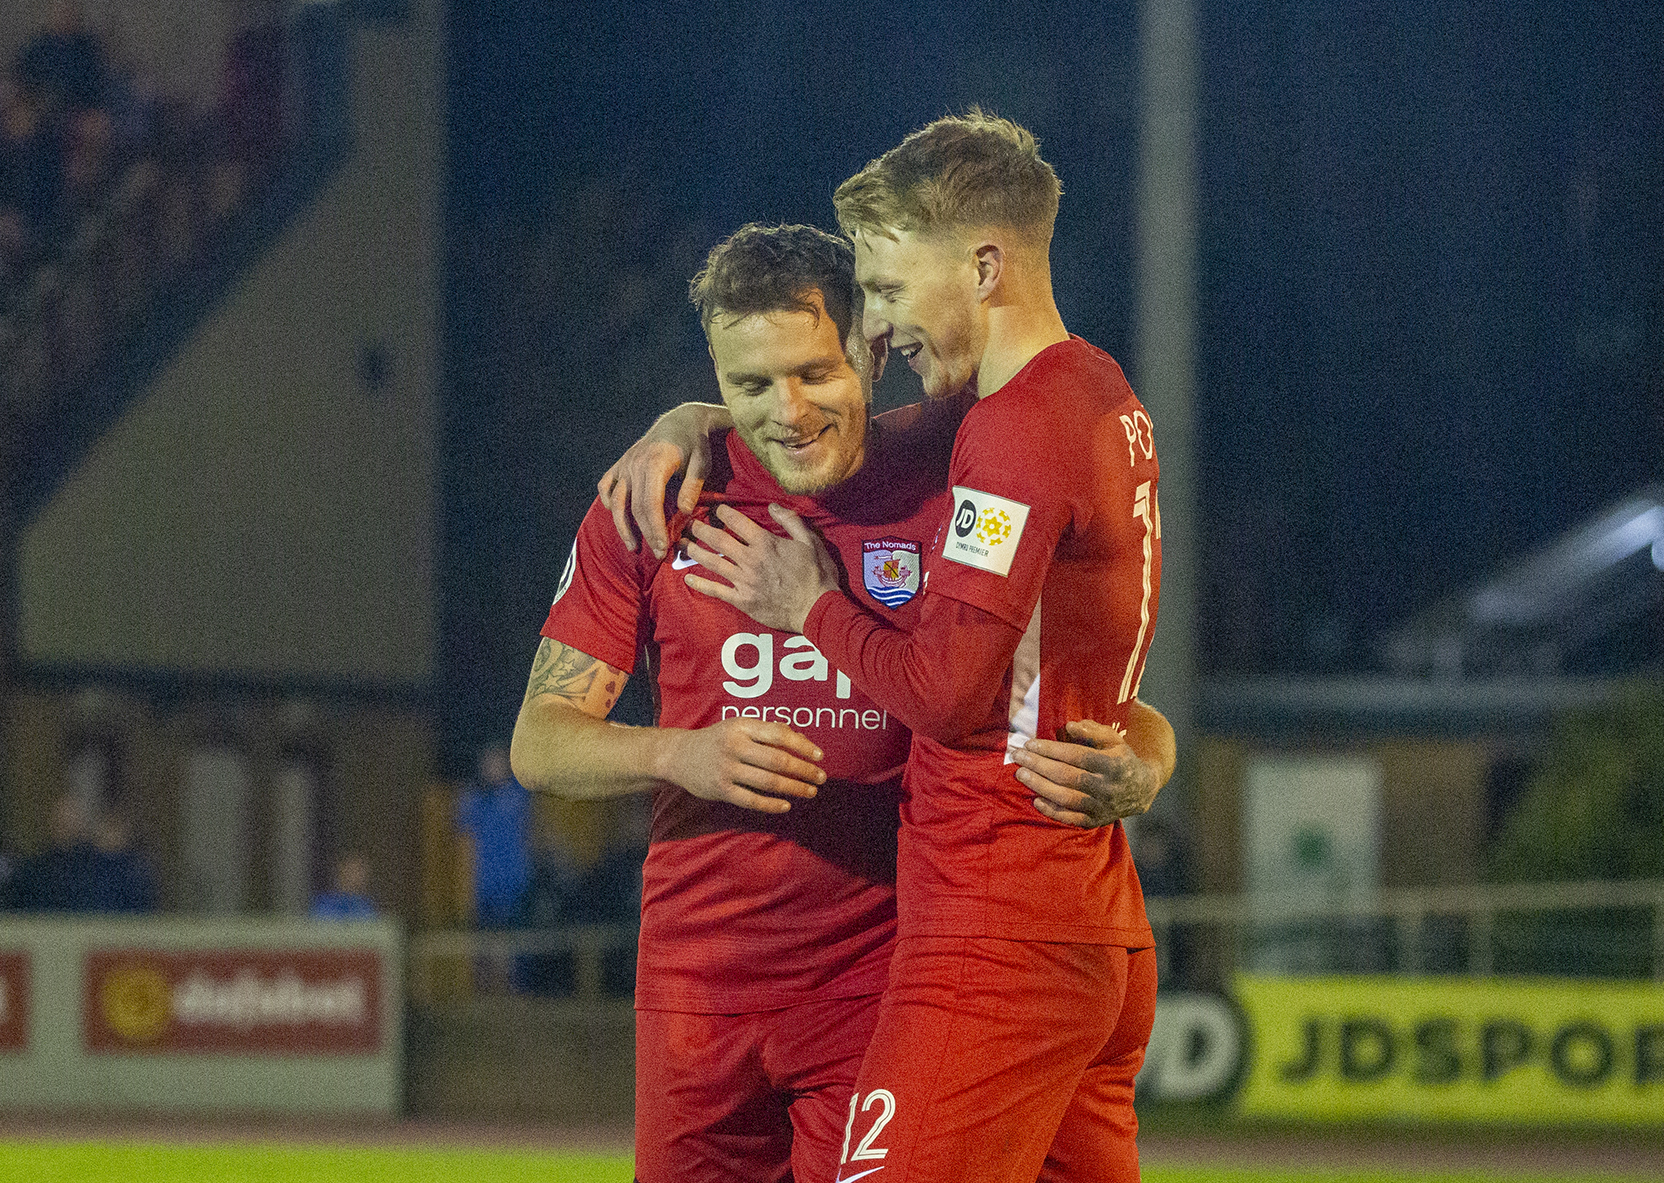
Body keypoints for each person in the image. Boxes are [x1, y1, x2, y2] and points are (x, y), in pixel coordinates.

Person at [513, 221, 1173, 1183]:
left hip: (881, 985)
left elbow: (1095, 674)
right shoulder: (656, 505)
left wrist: (1148, 757)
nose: (787, 410)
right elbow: (541, 743)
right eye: (748, 385)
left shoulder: (956, 471)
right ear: (716, 379)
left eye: (815, 372)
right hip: (698, 1001)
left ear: (868, 342)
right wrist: (677, 754)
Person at [455, 742, 532, 930]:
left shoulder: (519, 793)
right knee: (484, 945)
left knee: (514, 943)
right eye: (487, 763)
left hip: (515, 883)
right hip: (484, 885)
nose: (491, 767)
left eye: (496, 762)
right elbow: (459, 827)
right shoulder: (475, 799)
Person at [310, 851, 379, 920]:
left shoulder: (366, 906)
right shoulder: (324, 903)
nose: (355, 875)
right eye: (351, 870)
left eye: (359, 871)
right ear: (341, 871)